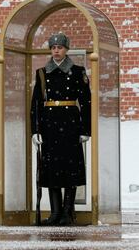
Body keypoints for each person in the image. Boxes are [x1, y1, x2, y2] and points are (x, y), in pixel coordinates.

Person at [30, 33, 91, 226]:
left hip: (70, 125)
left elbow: (86, 103)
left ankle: (67, 213)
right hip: (49, 127)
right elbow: (36, 104)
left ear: (66, 49)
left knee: (69, 170)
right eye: (53, 47)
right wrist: (36, 130)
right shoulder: (42, 73)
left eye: (60, 47)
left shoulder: (77, 71)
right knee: (52, 171)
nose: (56, 50)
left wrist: (85, 130)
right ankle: (55, 213)